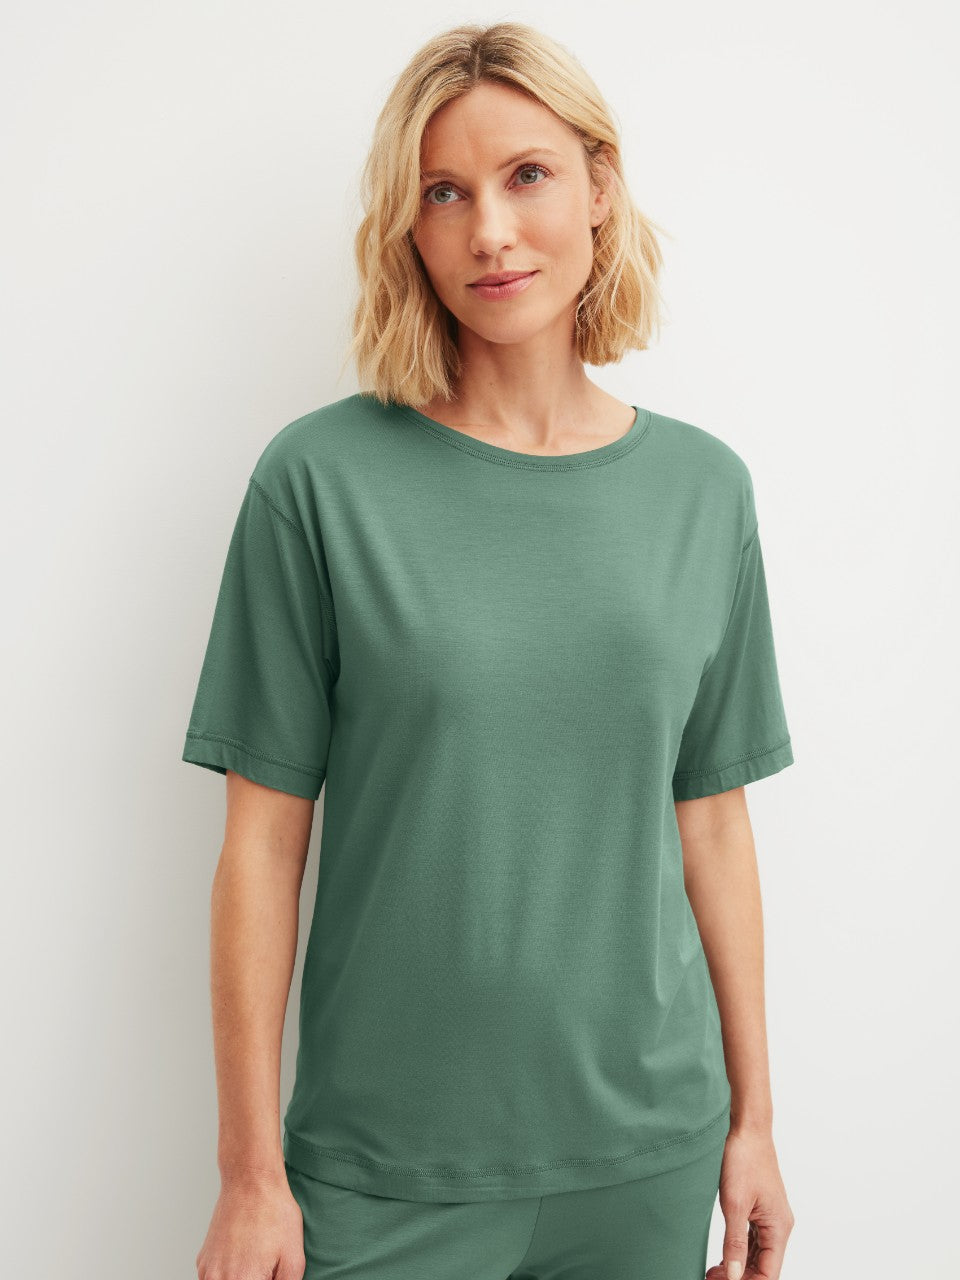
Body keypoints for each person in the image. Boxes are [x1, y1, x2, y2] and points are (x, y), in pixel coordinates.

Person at [182, 21, 797, 1280]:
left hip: (648, 1156)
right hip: (382, 1170)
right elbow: (262, 844)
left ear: (600, 186)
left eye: (528, 176)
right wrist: (250, 1174)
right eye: (444, 194)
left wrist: (755, 1123)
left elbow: (714, 823)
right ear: (408, 230)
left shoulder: (703, 491)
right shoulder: (320, 482)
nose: (492, 233)